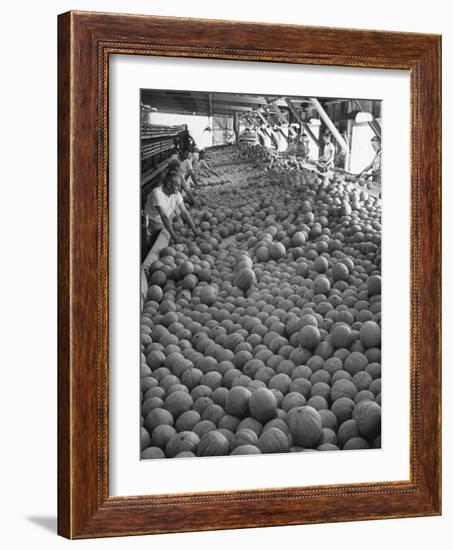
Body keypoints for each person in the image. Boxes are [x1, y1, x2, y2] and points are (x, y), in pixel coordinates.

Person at [144, 171, 200, 245]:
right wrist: (174, 236)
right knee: (152, 243)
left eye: (180, 186)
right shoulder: (157, 193)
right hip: (153, 222)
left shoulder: (176, 193)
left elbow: (184, 212)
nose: (180, 188)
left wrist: (194, 229)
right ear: (169, 184)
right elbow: (164, 217)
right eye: (177, 185)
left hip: (164, 222)